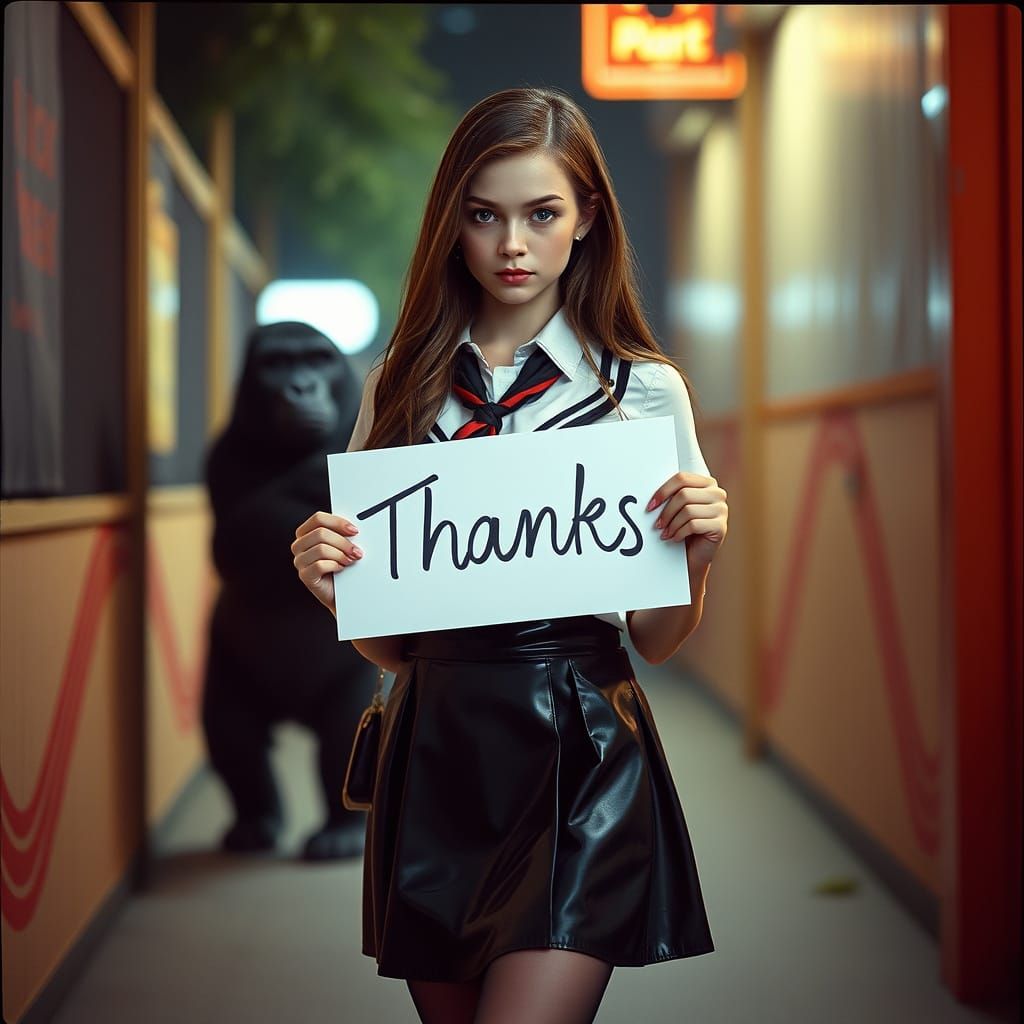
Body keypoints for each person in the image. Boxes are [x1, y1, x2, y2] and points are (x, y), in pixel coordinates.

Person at [290, 87, 728, 1024]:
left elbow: (655, 639)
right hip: (438, 746)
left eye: (542, 214)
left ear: (588, 219)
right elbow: (393, 651)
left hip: (581, 747)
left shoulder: (642, 392)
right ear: (453, 225)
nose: (512, 245)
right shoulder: (399, 386)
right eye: (484, 215)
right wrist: (337, 591)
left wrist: (696, 557)